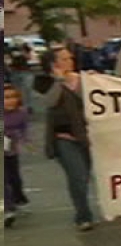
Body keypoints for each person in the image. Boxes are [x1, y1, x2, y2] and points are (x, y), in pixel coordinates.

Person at [33, 47, 95, 231]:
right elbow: (49, 102)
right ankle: (83, 216)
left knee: (83, 177)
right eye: (65, 58)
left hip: (85, 136)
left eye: (70, 58)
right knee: (77, 175)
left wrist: (94, 82)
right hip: (63, 137)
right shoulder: (43, 82)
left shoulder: (81, 79)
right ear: (54, 63)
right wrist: (60, 80)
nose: (70, 61)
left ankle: (83, 210)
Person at [4, 83, 31, 227]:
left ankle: (17, 197)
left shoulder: (21, 113)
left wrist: (23, 140)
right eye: (6, 98)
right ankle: (8, 210)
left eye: (13, 97)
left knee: (14, 178)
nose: (10, 101)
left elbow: (24, 129)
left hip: (11, 149)